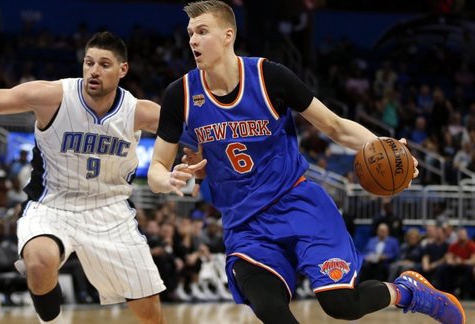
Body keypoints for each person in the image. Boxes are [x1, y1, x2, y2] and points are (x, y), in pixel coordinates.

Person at [147, 1, 465, 323]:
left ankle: (406, 291)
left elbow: (334, 126)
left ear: (228, 35)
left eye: (202, 32)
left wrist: (388, 149)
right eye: (190, 33)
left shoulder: (269, 77)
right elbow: (156, 168)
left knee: (342, 304)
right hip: (246, 226)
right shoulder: (181, 94)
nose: (193, 41)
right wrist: (168, 179)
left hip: (297, 204)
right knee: (272, 311)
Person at [0, 31, 166, 324]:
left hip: (110, 210)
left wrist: (195, 156)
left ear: (123, 70)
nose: (94, 71)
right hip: (52, 204)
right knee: (39, 260)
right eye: (89, 62)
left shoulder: (140, 111)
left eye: (104, 64)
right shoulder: (53, 96)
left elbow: (190, 132)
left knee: (149, 312)